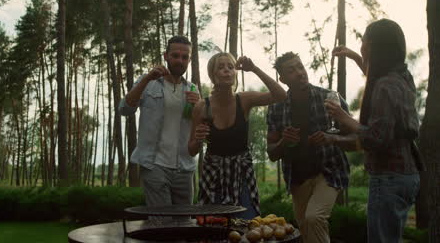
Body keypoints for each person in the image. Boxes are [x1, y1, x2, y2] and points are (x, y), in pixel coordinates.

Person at [327, 19, 423, 243]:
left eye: (363, 42)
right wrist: (353, 56)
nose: (361, 45)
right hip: (408, 176)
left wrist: (344, 118)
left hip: (388, 177)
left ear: (372, 46)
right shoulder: (402, 78)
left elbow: (377, 138)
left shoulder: (384, 87)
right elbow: (378, 77)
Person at [188, 52, 287, 219]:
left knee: (248, 224)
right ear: (213, 75)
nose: (227, 70)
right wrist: (198, 139)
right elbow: (191, 150)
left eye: (231, 67)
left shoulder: (244, 99)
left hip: (242, 175)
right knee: (214, 229)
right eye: (221, 67)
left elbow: (281, 95)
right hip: (213, 177)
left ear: (235, 73)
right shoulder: (201, 107)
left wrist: (254, 69)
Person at [266, 52, 350, 243]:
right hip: (297, 178)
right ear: (283, 78)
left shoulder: (329, 98)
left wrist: (331, 138)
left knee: (314, 218)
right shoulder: (276, 106)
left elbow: (355, 136)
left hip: (329, 171)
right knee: (306, 230)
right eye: (292, 70)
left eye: (300, 67)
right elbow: (271, 153)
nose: (300, 73)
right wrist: (283, 142)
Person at [119, 36, 200, 208]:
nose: (180, 60)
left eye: (184, 57)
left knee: (185, 225)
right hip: (154, 165)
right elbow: (124, 109)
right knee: (161, 224)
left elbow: (200, 127)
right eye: (175, 55)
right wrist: (147, 79)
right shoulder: (148, 82)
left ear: (189, 60)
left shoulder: (192, 90)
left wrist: (200, 107)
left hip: (184, 168)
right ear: (166, 56)